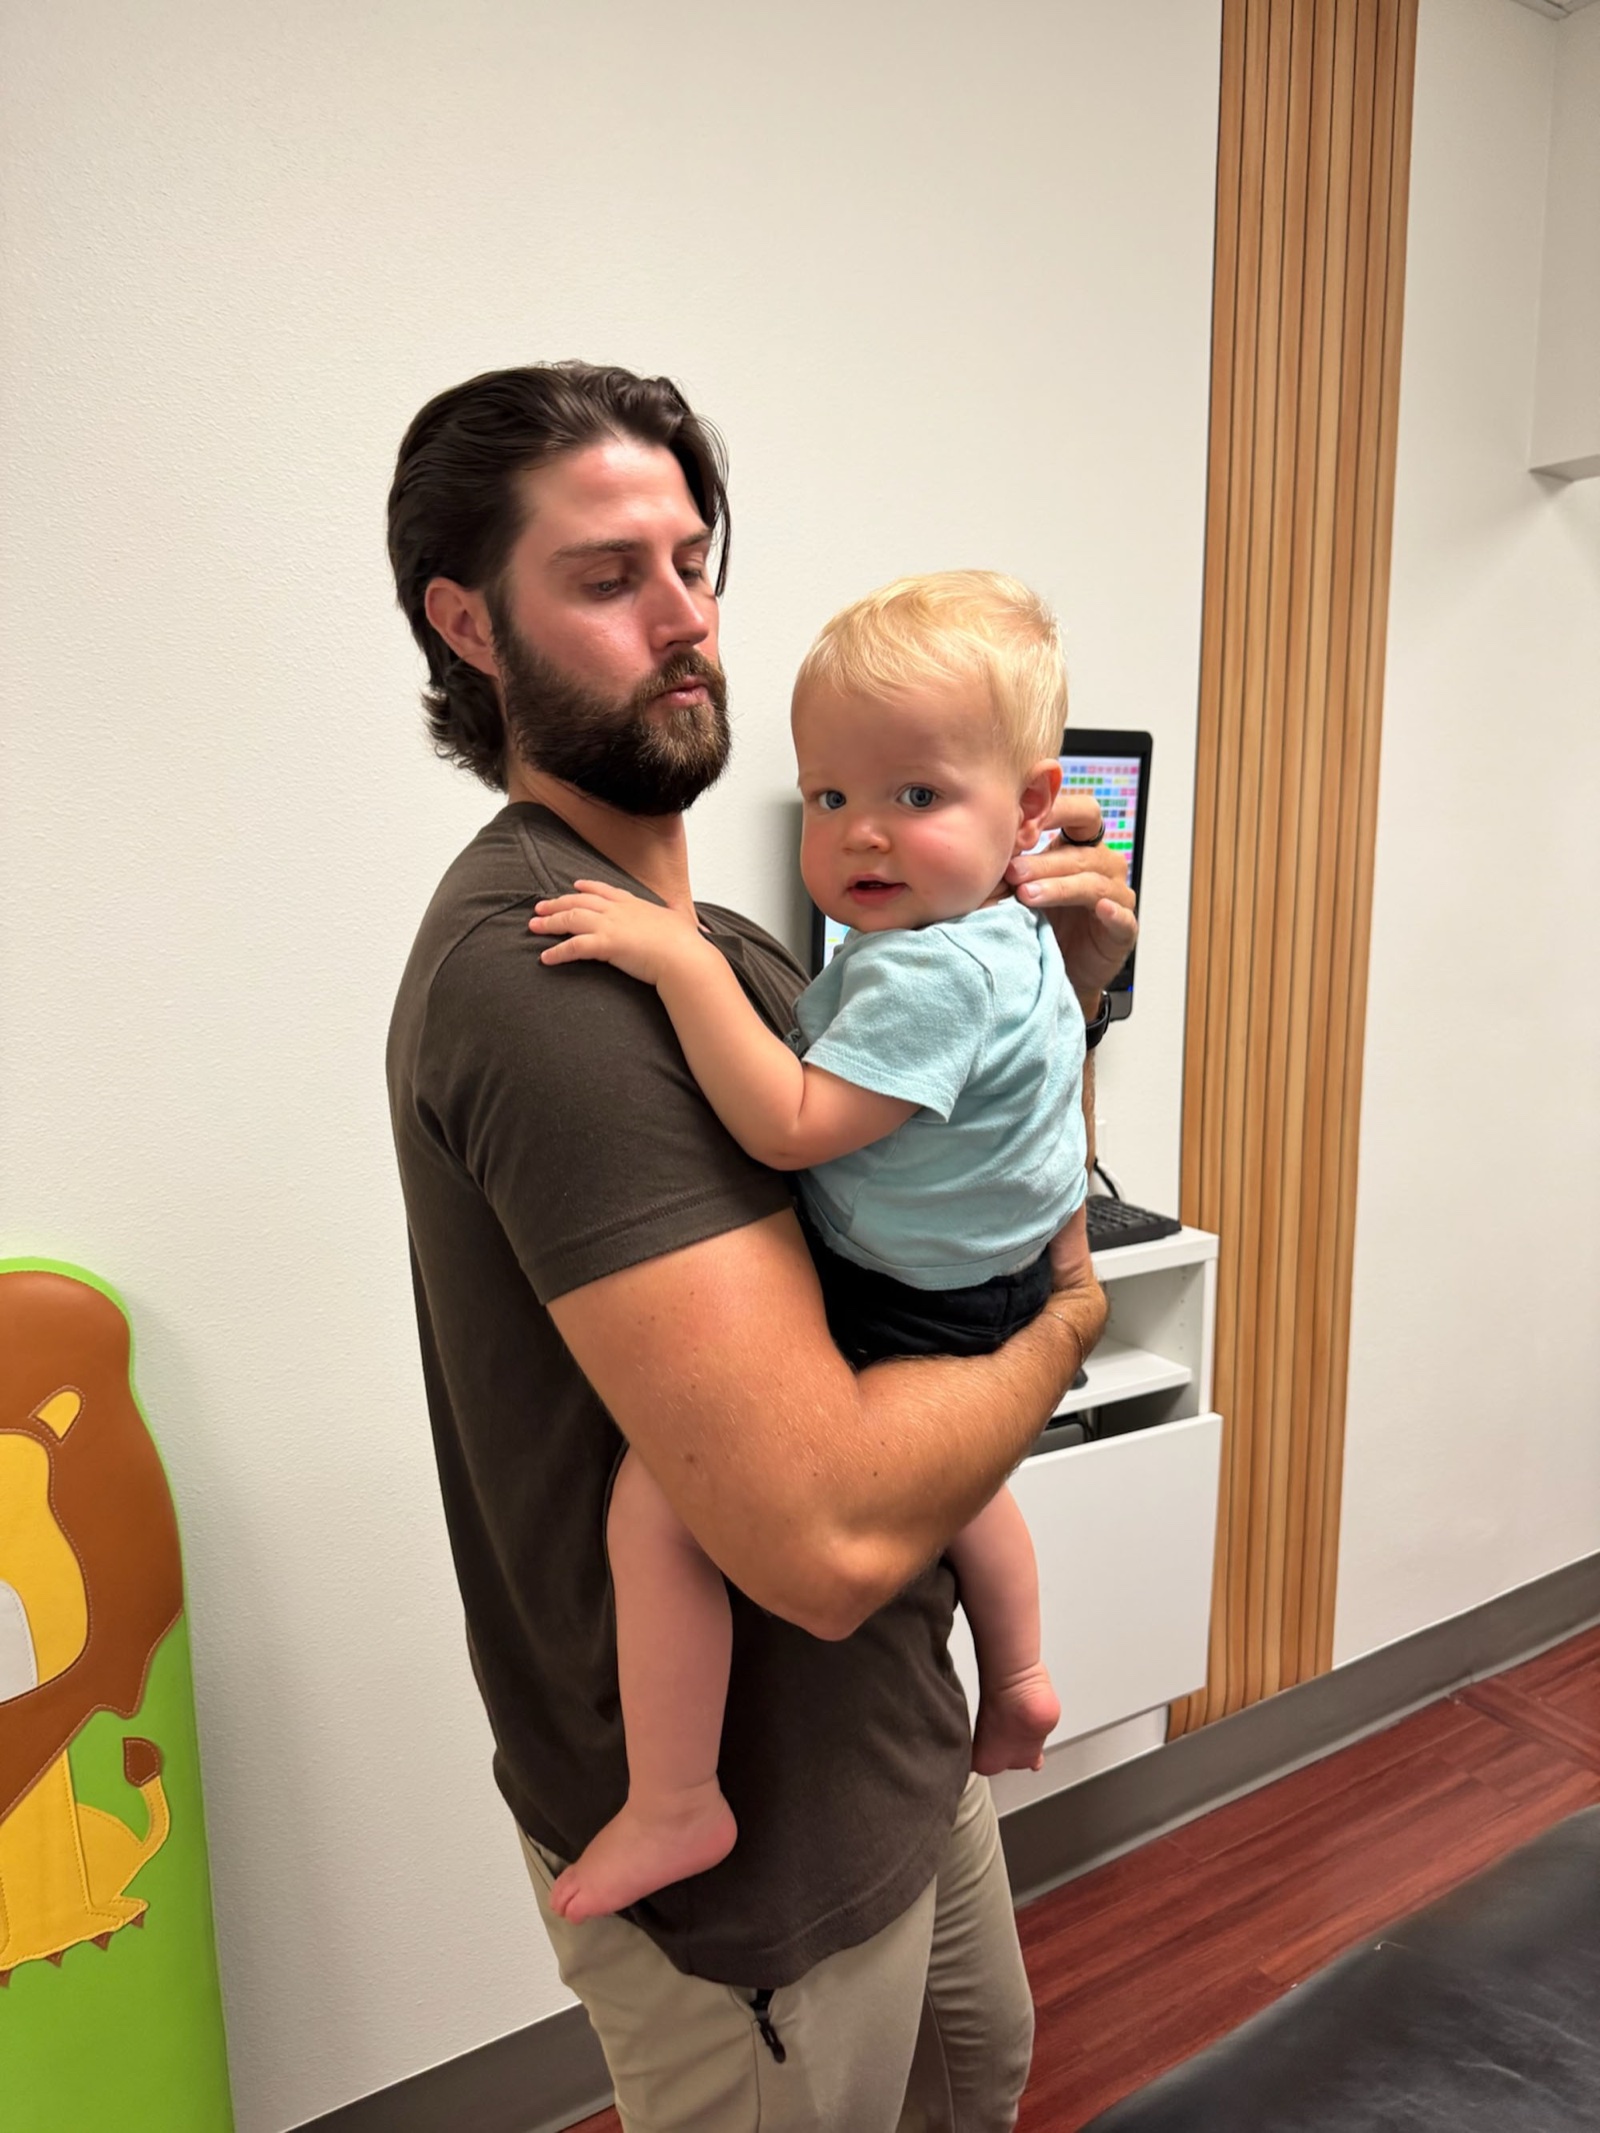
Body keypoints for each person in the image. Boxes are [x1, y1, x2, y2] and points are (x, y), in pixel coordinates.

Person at [385, 363, 1137, 2133]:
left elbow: (978, 1195)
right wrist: (1068, 1325)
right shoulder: (549, 976)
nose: (683, 620)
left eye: (695, 563)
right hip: (757, 1872)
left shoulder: (734, 939)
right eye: (606, 577)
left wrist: (1063, 999)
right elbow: (817, 1538)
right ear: (468, 625)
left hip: (901, 1752)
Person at [528, 571, 1086, 1928]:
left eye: (916, 795)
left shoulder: (923, 972)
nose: (861, 835)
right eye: (830, 797)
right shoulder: (1007, 937)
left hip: (918, 1292)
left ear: (1028, 808)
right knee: (957, 1482)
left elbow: (787, 1122)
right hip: (992, 1276)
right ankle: (1017, 1678)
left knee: (660, 1500)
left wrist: (679, 964)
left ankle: (675, 1796)